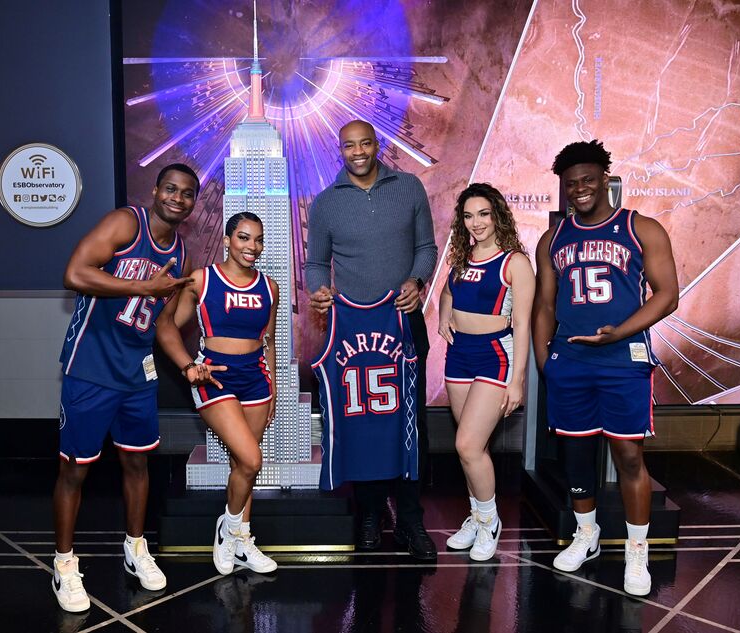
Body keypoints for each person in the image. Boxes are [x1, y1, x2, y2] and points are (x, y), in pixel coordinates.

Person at [52, 163, 212, 612]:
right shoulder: (126, 222)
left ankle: (136, 548)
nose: (177, 199)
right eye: (171, 189)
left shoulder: (180, 255)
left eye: (187, 194)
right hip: (91, 368)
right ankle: (64, 564)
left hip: (137, 374)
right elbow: (75, 273)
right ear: (156, 190)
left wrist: (186, 364)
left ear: (193, 203)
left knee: (138, 465)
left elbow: (162, 325)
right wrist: (143, 285)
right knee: (74, 470)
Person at [532, 140, 678, 596]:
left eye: (588, 180)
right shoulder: (553, 237)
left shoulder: (641, 228)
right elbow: (544, 305)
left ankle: (638, 551)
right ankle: (587, 534)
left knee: (629, 456)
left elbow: (667, 294)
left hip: (622, 358)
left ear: (606, 180)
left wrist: (619, 333)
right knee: (576, 456)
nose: (579, 189)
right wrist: (544, 363)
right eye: (571, 183)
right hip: (569, 362)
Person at [304, 119, 438, 560]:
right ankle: (368, 513)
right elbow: (316, 264)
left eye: (365, 143)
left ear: (377, 145)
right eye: (349, 146)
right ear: (339, 150)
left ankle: (411, 519)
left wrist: (417, 281)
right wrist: (320, 291)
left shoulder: (410, 187)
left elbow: (427, 248)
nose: (358, 152)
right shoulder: (326, 203)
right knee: (360, 420)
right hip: (352, 329)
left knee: (408, 420)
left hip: (402, 322)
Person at [156, 211, 278, 575]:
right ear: (227, 240)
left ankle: (243, 540)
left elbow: (267, 340)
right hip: (216, 380)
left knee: (243, 467)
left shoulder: (269, 286)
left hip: (256, 380)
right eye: (243, 238)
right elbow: (167, 327)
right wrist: (188, 367)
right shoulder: (202, 279)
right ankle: (228, 530)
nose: (251, 247)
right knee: (253, 459)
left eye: (257, 239)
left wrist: (271, 386)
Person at [438, 183, 534, 561]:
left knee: (468, 445)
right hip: (459, 355)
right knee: (471, 447)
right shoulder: (462, 258)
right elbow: (449, 292)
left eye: (483, 214)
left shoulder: (515, 262)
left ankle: (491, 521)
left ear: (497, 216)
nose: (475, 223)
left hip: (496, 355)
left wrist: (518, 382)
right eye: (467, 215)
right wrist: (445, 312)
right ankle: (476, 517)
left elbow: (523, 325)